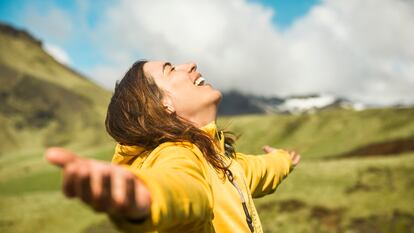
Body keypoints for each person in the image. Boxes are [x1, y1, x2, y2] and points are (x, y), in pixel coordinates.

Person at [46, 60, 301, 233]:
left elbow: (257, 170)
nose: (190, 65)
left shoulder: (219, 159)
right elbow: (182, 186)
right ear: (162, 105)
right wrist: (148, 195)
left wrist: (282, 160)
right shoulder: (177, 153)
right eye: (169, 69)